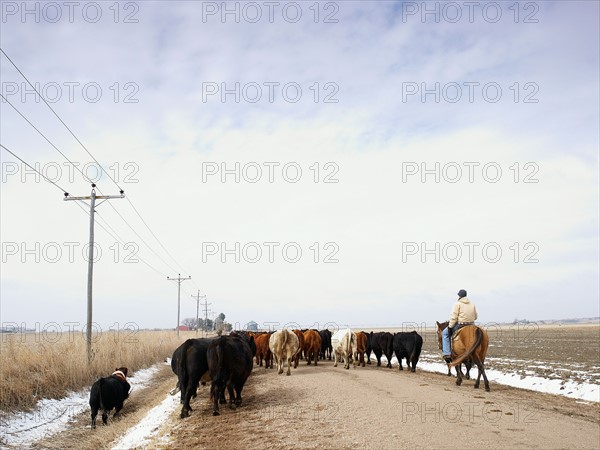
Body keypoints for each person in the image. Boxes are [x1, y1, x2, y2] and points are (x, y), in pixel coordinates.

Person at [442, 289, 477, 363]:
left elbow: (454, 317)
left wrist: (450, 326)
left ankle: (447, 353)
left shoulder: (457, 304)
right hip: (472, 324)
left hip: (461, 324)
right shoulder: (472, 304)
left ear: (459, 296)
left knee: (445, 334)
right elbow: (475, 317)